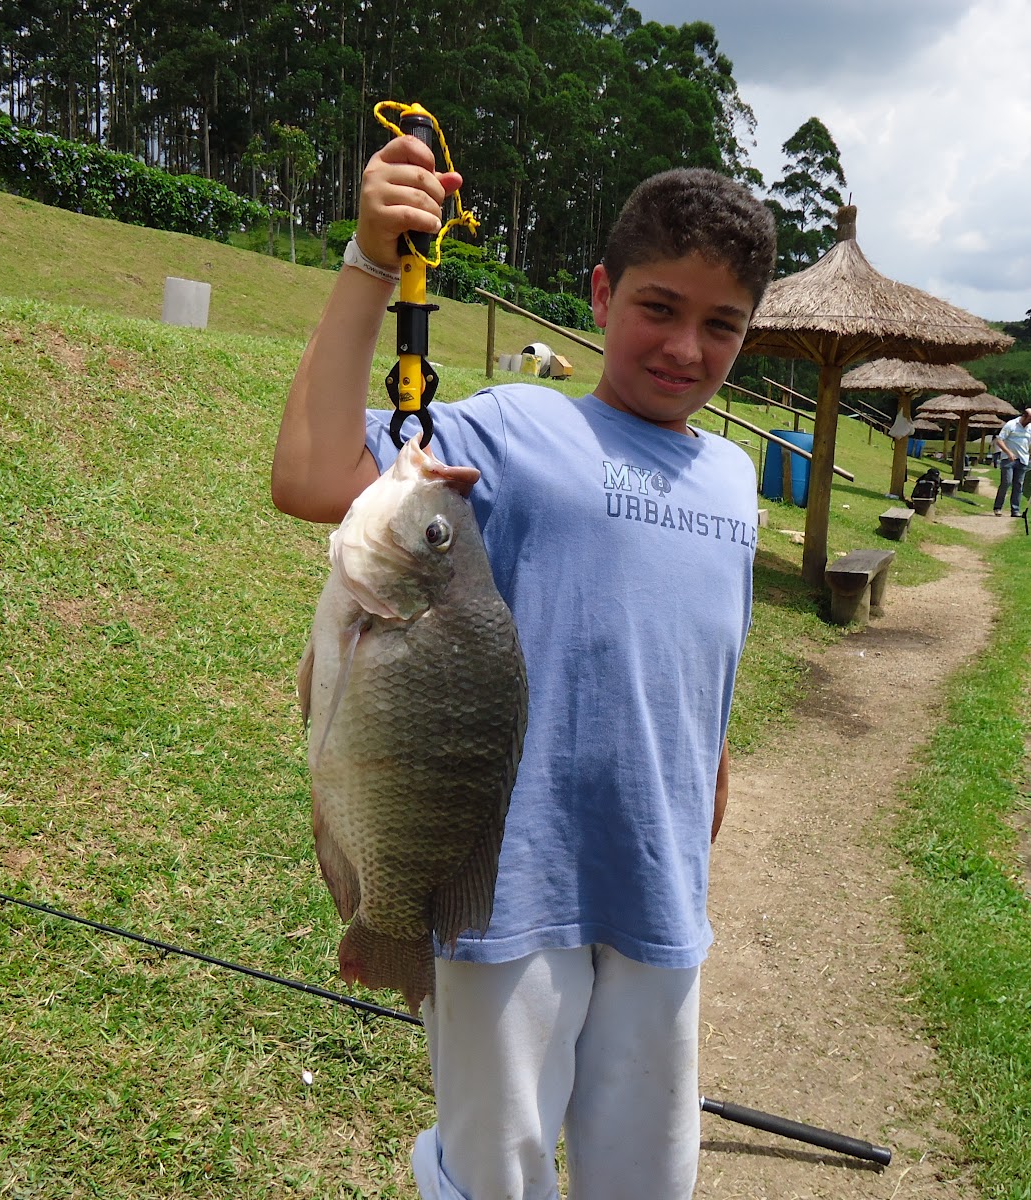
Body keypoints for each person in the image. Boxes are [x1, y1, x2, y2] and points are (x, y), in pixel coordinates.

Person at [271, 133, 776, 1200]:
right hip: (504, 890)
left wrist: (710, 784)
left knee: (650, 1170)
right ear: (599, 294)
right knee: (494, 1171)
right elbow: (313, 472)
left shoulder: (736, 480)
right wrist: (371, 259)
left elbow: (704, 661)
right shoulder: (517, 432)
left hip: (658, 884)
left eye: (720, 324)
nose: (686, 347)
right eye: (658, 307)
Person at [992, 406, 1031, 517]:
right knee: (1006, 483)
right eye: (1029, 419)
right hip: (1008, 459)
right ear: (1024, 416)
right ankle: (998, 508)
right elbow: (999, 440)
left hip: (1023, 460)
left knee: (1018, 485)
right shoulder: (1011, 425)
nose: (1030, 421)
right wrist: (1009, 453)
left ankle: (1015, 510)